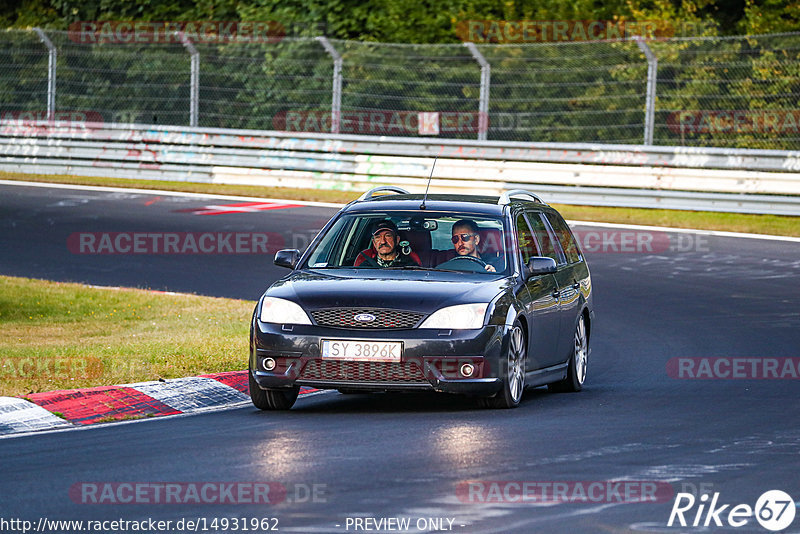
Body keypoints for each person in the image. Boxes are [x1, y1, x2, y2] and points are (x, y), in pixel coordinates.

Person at [354, 220, 421, 267]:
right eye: (378, 237)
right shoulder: (364, 268)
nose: (383, 241)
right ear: (374, 243)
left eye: (388, 236)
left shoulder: (410, 267)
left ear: (397, 240)